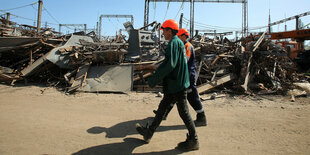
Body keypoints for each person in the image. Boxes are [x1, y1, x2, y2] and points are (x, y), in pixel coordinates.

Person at [136, 19, 199, 151]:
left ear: (169, 31)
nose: (163, 33)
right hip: (175, 83)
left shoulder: (173, 44)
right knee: (162, 108)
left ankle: (194, 140)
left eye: (164, 30)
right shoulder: (176, 43)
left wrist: (153, 79)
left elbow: (170, 65)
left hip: (177, 84)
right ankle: (149, 132)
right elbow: (169, 63)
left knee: (184, 113)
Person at [154, 28, 207, 126]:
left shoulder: (187, 46)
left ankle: (201, 116)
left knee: (192, 97)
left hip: (188, 76)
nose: (177, 38)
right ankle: (164, 113)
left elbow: (183, 61)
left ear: (183, 36)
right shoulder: (183, 45)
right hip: (185, 75)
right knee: (173, 95)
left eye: (179, 36)